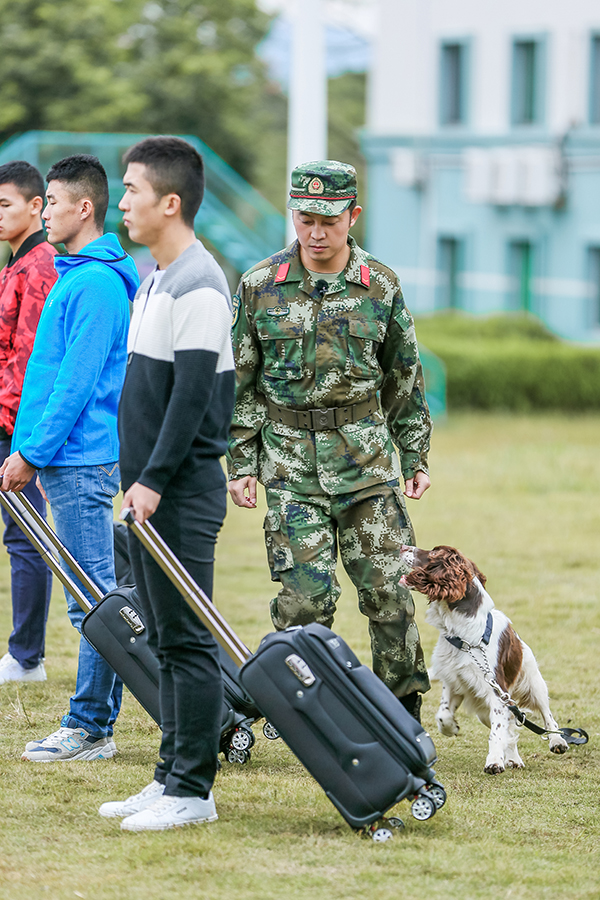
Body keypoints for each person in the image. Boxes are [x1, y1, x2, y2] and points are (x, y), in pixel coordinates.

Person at [227, 160, 432, 721]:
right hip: (290, 469)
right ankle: (305, 712)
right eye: (304, 217)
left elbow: (405, 378)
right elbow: (242, 383)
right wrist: (241, 462)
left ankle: (401, 713)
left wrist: (413, 455)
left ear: (353, 216)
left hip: (367, 469)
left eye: (329, 220)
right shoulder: (258, 286)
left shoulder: (381, 286)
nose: (315, 232)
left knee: (390, 593)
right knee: (304, 603)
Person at [98, 136, 234, 831]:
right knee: (164, 638)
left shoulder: (201, 284)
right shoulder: (155, 278)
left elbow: (189, 402)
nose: (121, 203)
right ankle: (168, 777)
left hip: (177, 494)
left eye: (131, 191)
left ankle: (193, 791)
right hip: (149, 493)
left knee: (187, 643)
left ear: (169, 202)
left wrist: (149, 482)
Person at [0, 155, 139, 760]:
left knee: (91, 602)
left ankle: (88, 728)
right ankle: (95, 723)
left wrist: (28, 451)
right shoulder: (76, 273)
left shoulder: (96, 284)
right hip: (69, 459)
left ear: (84, 208)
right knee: (94, 598)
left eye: (52, 202)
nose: (45, 212)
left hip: (80, 461)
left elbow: (76, 385)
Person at [0, 161, 56, 684]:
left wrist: (19, 437)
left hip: (17, 428)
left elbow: (30, 357)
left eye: (4, 205)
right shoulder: (15, 264)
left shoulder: (40, 266)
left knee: (26, 537)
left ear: (36, 205)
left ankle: (27, 658)